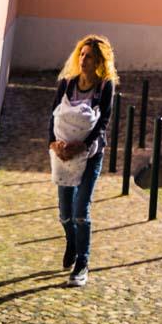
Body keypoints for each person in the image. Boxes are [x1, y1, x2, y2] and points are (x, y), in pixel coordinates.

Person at [48, 35, 117, 288]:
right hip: (63, 154)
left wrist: (83, 146)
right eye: (82, 54)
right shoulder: (67, 84)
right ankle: (72, 242)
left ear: (99, 61)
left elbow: (103, 122)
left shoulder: (104, 87)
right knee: (65, 213)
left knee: (80, 211)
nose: (84, 59)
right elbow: (53, 116)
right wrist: (53, 144)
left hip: (90, 155)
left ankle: (82, 263)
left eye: (90, 56)